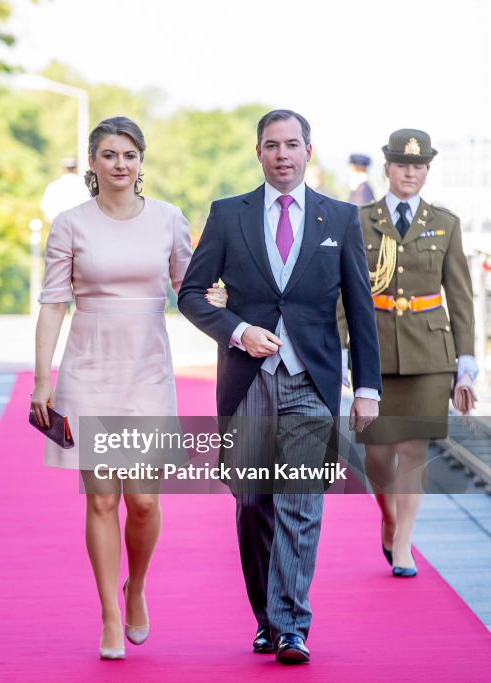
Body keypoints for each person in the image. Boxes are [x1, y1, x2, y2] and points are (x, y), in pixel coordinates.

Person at [178, 110, 381, 664]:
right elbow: (191, 294)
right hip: (246, 383)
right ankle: (266, 619)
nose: (283, 155)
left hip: (311, 382)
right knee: (253, 503)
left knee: (300, 501)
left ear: (308, 151)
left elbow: (360, 308)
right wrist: (238, 331)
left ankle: (292, 625)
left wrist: (367, 387)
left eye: (292, 145)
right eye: (272, 145)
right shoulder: (227, 215)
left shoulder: (339, 218)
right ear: (259, 152)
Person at [31, 117, 193, 660]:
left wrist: (239, 323)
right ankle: (107, 612)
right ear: (93, 163)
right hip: (88, 369)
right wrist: (41, 380)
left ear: (141, 162)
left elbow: (190, 292)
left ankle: (137, 587)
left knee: (143, 502)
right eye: (108, 154)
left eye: (129, 154)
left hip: (147, 369)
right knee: (102, 501)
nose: (119, 163)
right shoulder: (70, 224)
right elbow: (53, 302)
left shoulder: (170, 220)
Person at [350, 129, 476, 577]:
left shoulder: (445, 222)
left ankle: (404, 543)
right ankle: (389, 518)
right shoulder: (359, 219)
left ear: (426, 170)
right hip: (376, 347)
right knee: (379, 455)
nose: (411, 172)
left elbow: (459, 296)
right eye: (403, 165)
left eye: (419, 165)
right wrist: (347, 341)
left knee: (413, 449)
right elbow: (345, 290)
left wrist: (466, 361)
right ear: (387, 168)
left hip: (429, 352)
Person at [39, 156, 89, 223]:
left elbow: (45, 208)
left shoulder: (53, 187)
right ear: (76, 169)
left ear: (63, 169)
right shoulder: (85, 186)